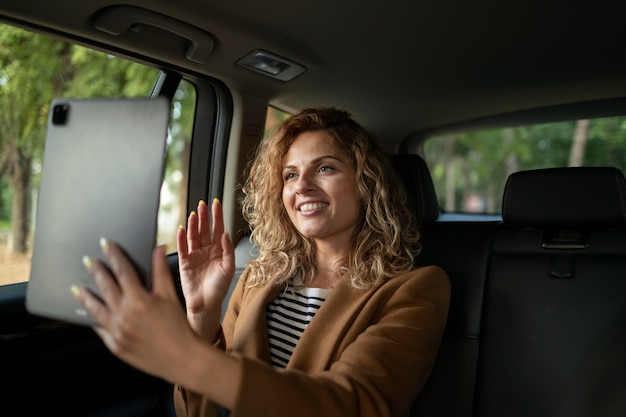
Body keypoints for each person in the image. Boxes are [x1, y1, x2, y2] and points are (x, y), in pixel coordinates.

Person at [72, 107, 451, 417]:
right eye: (290, 175)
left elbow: (353, 404)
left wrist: (187, 357)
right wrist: (201, 316)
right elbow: (196, 411)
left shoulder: (416, 288)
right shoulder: (258, 275)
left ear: (366, 183)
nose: (301, 186)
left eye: (325, 168)